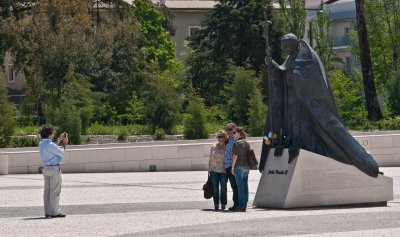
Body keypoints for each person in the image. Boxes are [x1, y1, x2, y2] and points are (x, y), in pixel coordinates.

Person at [259, 33, 379, 177]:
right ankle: (292, 147)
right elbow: (284, 74)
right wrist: (273, 67)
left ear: (294, 44)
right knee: (292, 128)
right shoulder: (291, 58)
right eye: (282, 46)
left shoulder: (308, 57)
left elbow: (312, 81)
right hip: (292, 104)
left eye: (285, 45)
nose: (283, 48)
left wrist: (295, 78)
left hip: (307, 106)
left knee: (308, 133)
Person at [39, 124, 68, 218]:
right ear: (50, 134)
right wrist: (64, 143)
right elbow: (61, 152)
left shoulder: (42, 143)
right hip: (54, 168)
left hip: (46, 168)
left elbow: (52, 147)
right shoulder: (50, 144)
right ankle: (54, 211)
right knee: (55, 191)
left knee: (46, 191)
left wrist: (59, 140)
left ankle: (47, 212)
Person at [231, 127, 251, 212]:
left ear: (239, 133)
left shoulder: (236, 144)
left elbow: (235, 156)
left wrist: (232, 167)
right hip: (246, 167)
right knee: (245, 185)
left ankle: (241, 205)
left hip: (238, 167)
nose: (233, 134)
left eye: (234, 132)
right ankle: (245, 205)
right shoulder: (246, 143)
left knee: (240, 187)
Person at [208, 130, 228, 210]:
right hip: (214, 170)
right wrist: (209, 168)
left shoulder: (227, 146)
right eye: (219, 137)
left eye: (222, 136)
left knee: (223, 187)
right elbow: (210, 158)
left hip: (224, 170)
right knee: (215, 187)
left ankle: (223, 203)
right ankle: (216, 204)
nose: (220, 138)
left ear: (225, 137)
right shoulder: (213, 146)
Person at [223, 123, 239, 211]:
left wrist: (233, 166)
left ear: (234, 129)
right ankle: (236, 203)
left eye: (230, 129)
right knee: (233, 186)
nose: (228, 131)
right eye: (227, 129)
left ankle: (237, 204)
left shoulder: (236, 140)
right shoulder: (229, 140)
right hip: (227, 166)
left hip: (233, 166)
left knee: (235, 186)